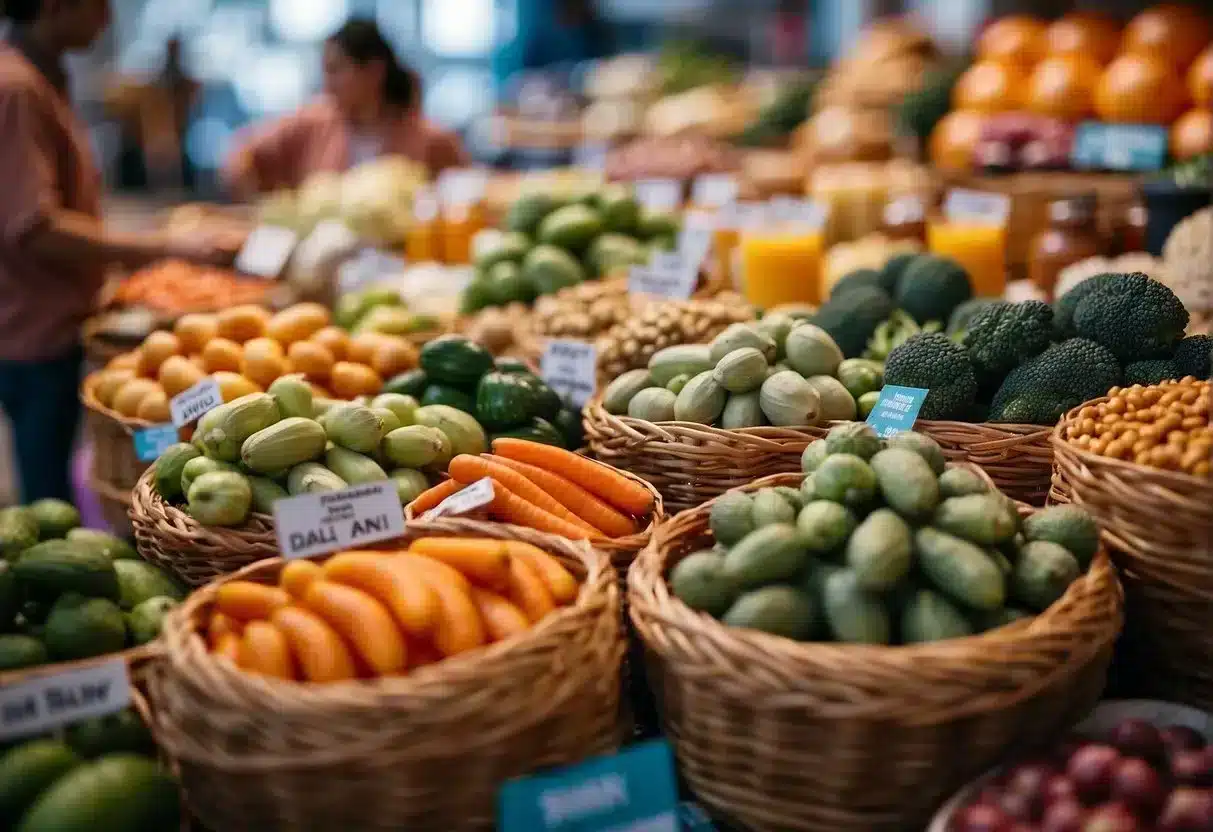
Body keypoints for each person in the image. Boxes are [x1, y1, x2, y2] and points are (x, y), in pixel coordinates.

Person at [0, 0, 227, 504]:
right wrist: (162, 246)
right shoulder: (16, 87)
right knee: (46, 503)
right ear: (57, 6)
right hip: (33, 331)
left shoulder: (41, 77)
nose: (107, 20)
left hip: (52, 322)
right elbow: (34, 227)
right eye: (100, 4)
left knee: (54, 479)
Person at [222, 19, 468, 198]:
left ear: (374, 71)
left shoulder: (432, 141)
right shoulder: (310, 123)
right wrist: (261, 207)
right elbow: (240, 155)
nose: (327, 83)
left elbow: (465, 193)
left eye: (335, 70)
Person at [494, 0, 613, 90]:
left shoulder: (594, 27)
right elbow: (509, 81)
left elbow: (604, 68)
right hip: (535, 103)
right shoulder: (532, 12)